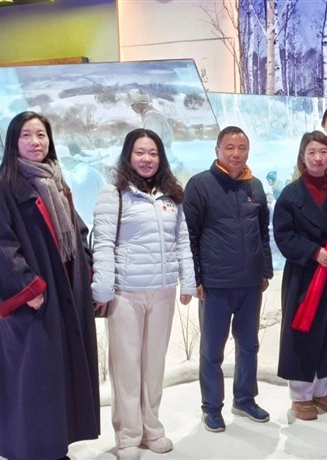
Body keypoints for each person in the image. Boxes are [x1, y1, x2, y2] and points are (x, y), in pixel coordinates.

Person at [0, 111, 100, 459]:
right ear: (13, 142)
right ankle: (30, 451)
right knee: (32, 380)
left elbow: (77, 232)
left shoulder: (57, 185)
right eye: (26, 135)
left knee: (56, 378)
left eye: (41, 135)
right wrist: (27, 288)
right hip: (35, 302)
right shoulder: (4, 189)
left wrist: (86, 269)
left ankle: (54, 448)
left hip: (64, 296)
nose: (35, 142)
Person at [91, 129, 194, 459]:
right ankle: (128, 435)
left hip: (162, 291)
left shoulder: (171, 196)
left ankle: (152, 429)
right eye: (140, 152)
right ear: (128, 155)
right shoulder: (114, 194)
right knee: (126, 366)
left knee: (154, 365)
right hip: (126, 293)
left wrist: (187, 282)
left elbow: (182, 242)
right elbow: (103, 243)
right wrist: (102, 288)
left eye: (153, 153)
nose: (147, 159)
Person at [185, 126, 274, 431]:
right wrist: (195, 277)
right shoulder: (200, 185)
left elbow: (263, 231)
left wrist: (265, 270)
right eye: (230, 148)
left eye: (242, 148)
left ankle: (245, 399)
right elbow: (190, 235)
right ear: (217, 151)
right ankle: (211, 406)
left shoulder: (255, 185)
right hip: (216, 283)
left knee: (249, 345)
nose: (236, 154)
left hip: (250, 282)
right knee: (213, 350)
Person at [273, 131, 327, 421]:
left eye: (323, 152)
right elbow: (283, 235)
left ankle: (322, 390)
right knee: (303, 329)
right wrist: (313, 251)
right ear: (302, 157)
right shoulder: (291, 195)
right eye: (312, 152)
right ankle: (301, 395)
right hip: (305, 273)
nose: (318, 158)